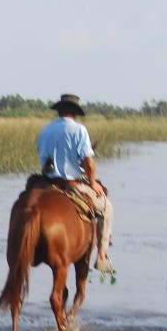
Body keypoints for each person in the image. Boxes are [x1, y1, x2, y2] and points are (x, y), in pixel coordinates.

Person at [37, 93, 114, 273]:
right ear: (74, 112)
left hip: (47, 182)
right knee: (107, 209)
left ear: (59, 111)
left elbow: (43, 155)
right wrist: (93, 182)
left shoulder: (46, 130)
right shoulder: (79, 130)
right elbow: (88, 163)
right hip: (71, 184)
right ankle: (102, 256)